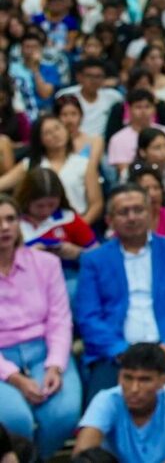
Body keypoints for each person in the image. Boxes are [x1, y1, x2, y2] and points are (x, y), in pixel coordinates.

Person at [75, 183, 165, 413]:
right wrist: (120, 351)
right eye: (123, 212)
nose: (132, 217)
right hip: (117, 353)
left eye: (138, 210)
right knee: (100, 405)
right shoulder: (94, 260)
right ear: (109, 220)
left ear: (150, 213)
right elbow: (88, 317)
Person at [0, 194, 82, 460]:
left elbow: (59, 320)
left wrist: (55, 366)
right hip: (2, 359)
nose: (4, 227)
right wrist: (15, 378)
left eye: (10, 219)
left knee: (64, 412)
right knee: (15, 418)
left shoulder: (47, 264)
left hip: (45, 351)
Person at [73, 342, 165, 462]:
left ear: (162, 380)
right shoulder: (106, 400)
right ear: (119, 377)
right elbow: (83, 451)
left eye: (145, 380)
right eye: (128, 378)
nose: (134, 389)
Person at [106, 88, 165, 173]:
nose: (143, 111)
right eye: (138, 107)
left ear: (154, 109)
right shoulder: (118, 139)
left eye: (147, 107)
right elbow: (124, 170)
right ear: (129, 110)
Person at [55, 57, 123, 138]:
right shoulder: (65, 95)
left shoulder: (113, 96)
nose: (94, 80)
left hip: (99, 145)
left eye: (98, 76)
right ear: (79, 77)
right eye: (89, 76)